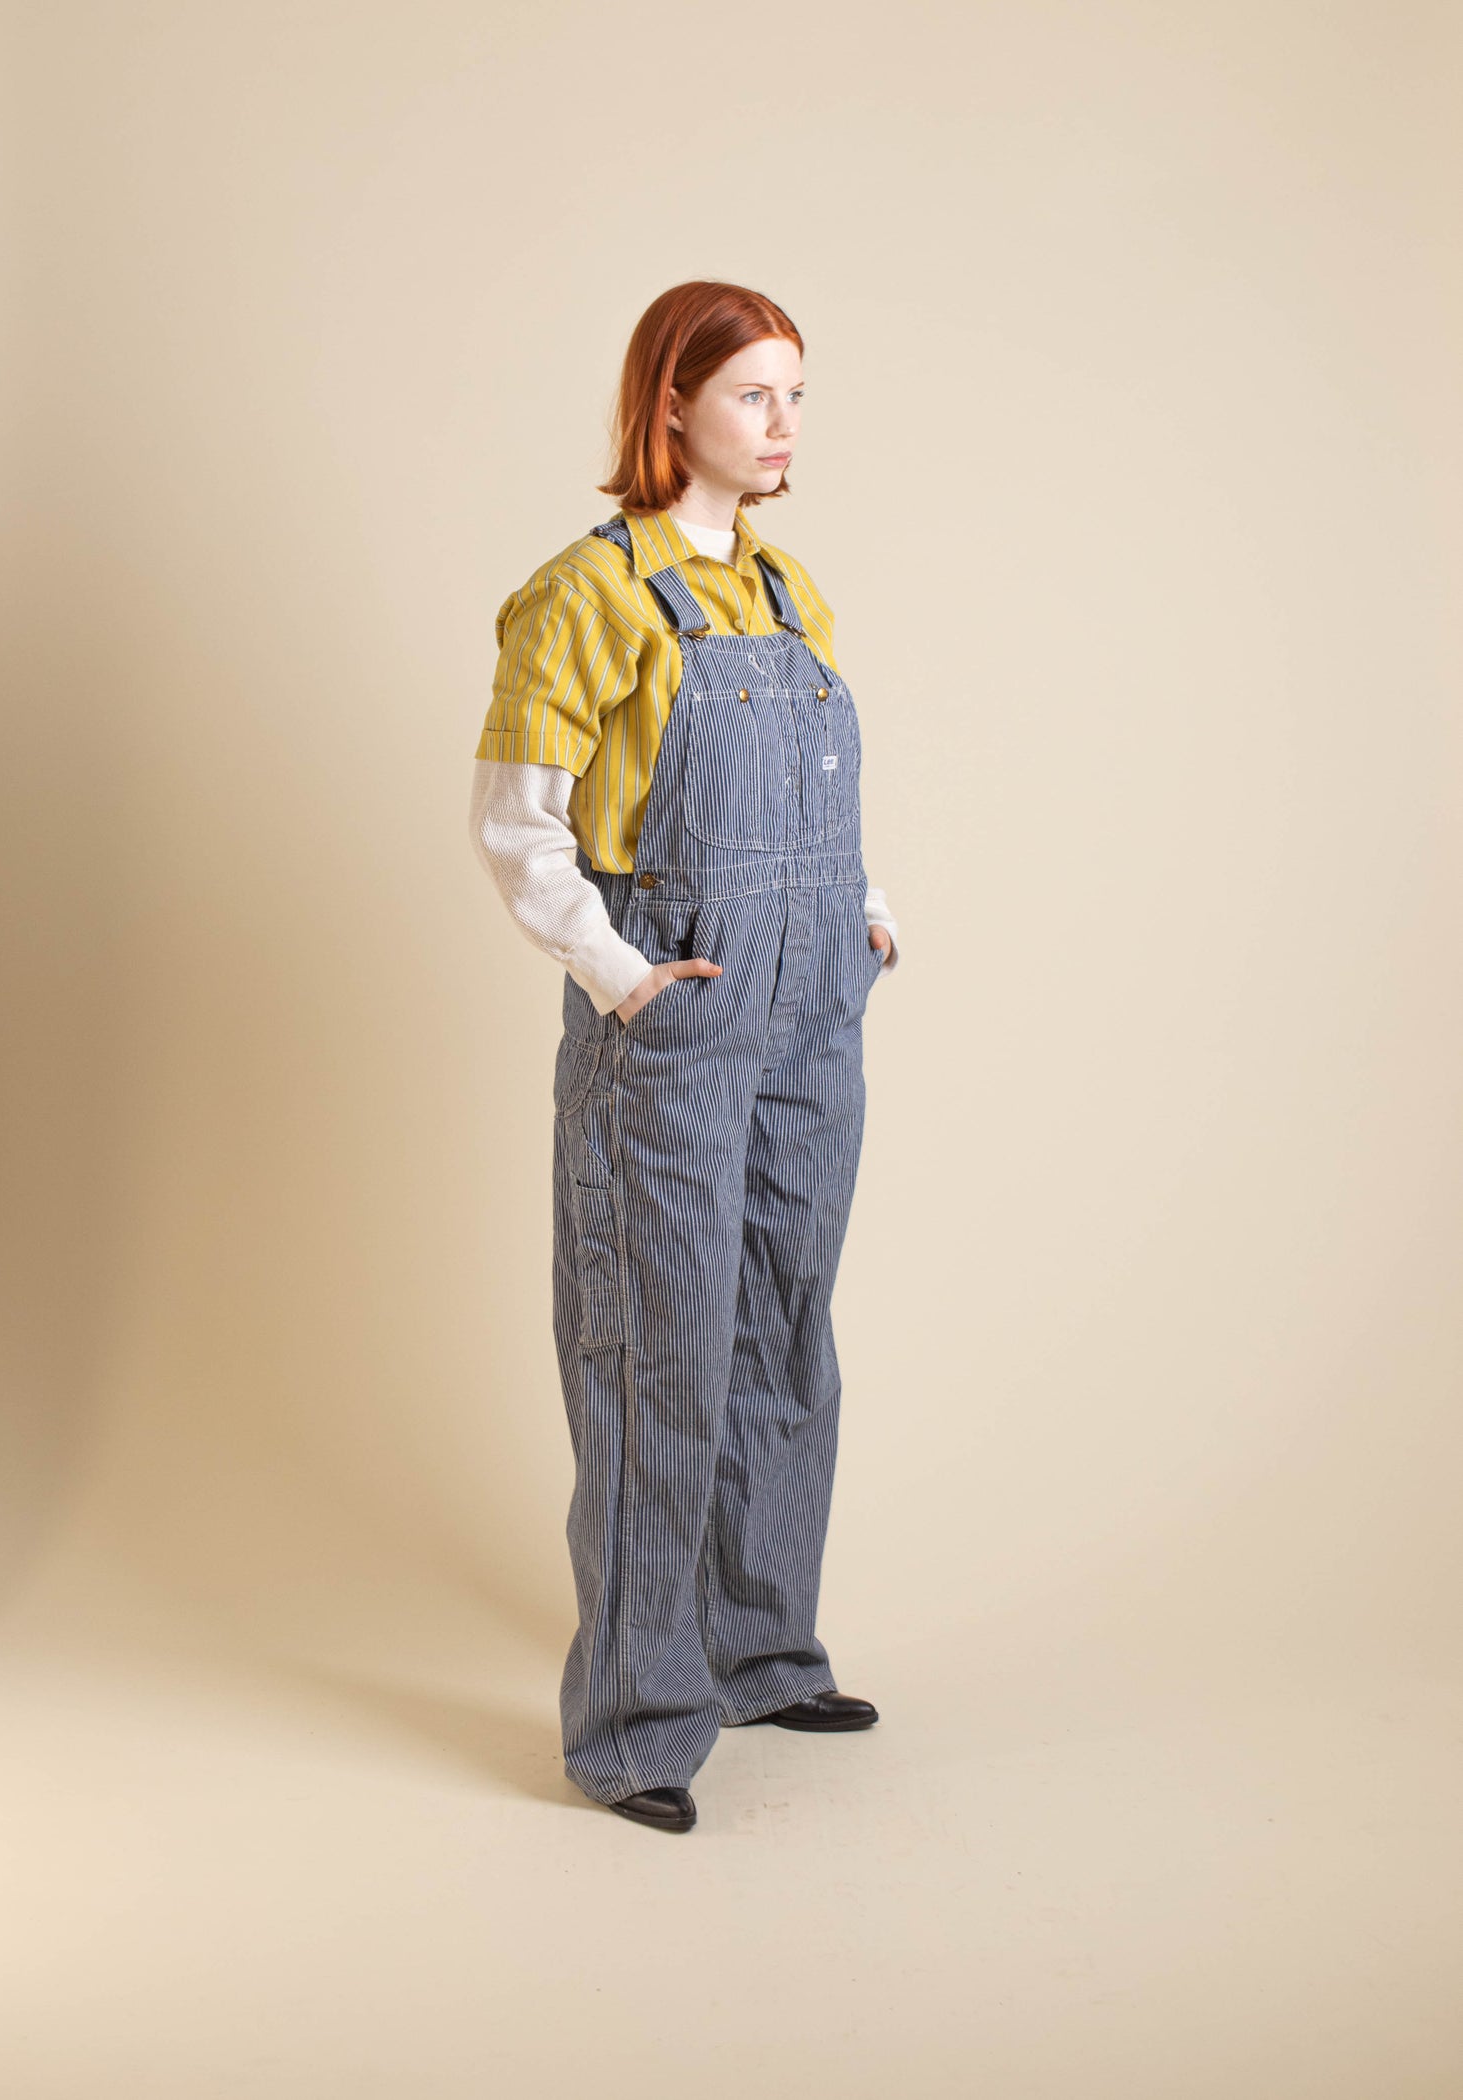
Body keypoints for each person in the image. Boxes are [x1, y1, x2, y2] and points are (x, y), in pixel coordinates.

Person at [470, 280, 900, 1834]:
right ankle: (639, 1726)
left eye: (797, 396)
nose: (783, 426)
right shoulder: (583, 595)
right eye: (752, 396)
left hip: (812, 1015)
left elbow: (818, 802)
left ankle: (759, 1650)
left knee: (782, 1332)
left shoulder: (790, 593)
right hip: (679, 1021)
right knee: (657, 1355)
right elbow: (517, 826)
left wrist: (867, 913)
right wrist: (623, 980)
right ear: (671, 408)